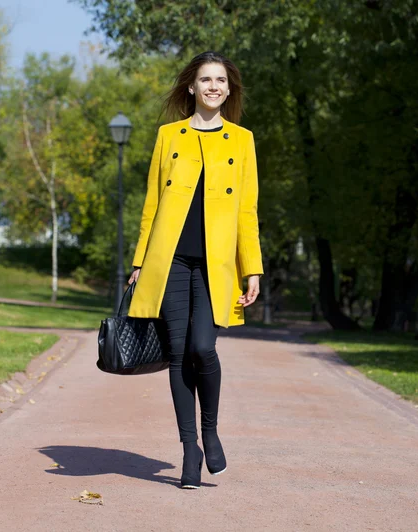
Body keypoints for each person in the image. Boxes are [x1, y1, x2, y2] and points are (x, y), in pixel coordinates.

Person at [127, 51, 264, 489]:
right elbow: (152, 204)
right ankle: (190, 449)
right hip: (170, 262)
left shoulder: (242, 140)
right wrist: (138, 262)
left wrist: (252, 269)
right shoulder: (169, 135)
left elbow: (247, 211)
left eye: (220, 80)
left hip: (216, 265)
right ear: (191, 87)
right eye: (205, 79)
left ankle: (211, 430)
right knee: (177, 353)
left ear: (229, 88)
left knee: (204, 349)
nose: (212, 86)